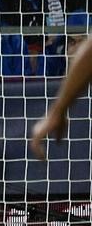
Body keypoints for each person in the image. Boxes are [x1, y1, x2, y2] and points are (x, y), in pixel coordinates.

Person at [32, 13, 92, 159]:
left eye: (81, 41)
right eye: (72, 42)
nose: (77, 48)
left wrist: (57, 110)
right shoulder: (51, 62)